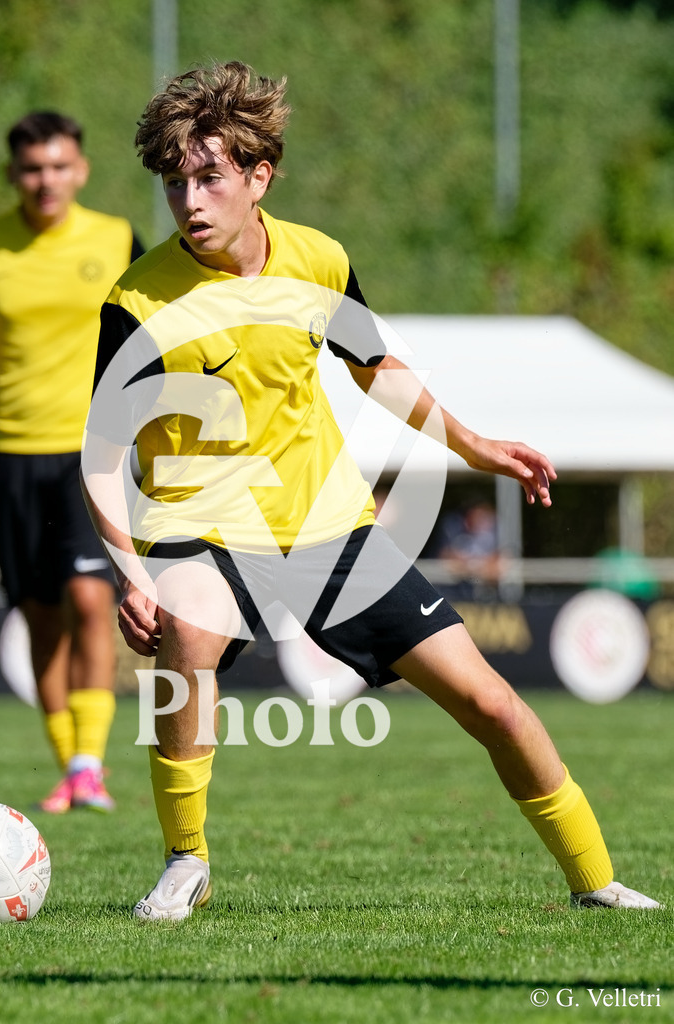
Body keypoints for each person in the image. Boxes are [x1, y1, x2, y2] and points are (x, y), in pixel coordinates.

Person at [82, 62, 661, 918]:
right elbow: (101, 452)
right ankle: (185, 860)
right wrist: (130, 572)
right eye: (175, 184)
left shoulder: (318, 259)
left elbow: (373, 368)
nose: (190, 202)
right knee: (189, 645)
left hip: (325, 527)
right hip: (202, 526)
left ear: (257, 176)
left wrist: (472, 444)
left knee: (492, 702)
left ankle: (594, 880)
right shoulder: (137, 299)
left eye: (209, 178)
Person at [0, 111, 145, 814]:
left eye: (58, 166)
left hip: (92, 453)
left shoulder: (115, 239)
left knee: (89, 599)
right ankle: (71, 768)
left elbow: (154, 322)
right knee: (40, 617)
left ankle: (89, 763)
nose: (45, 179)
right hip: (12, 455)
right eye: (32, 168)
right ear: (14, 174)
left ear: (80, 169)